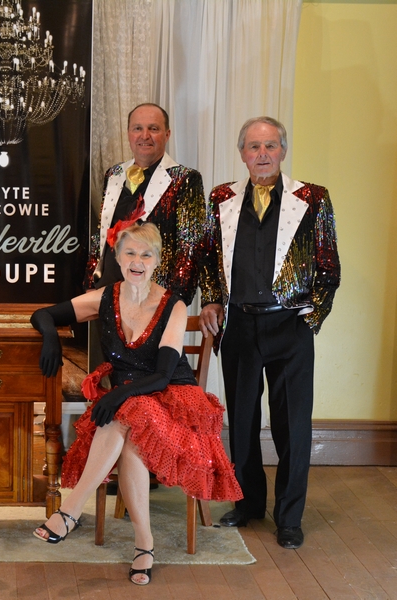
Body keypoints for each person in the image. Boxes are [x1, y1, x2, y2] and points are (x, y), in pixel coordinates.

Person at [31, 220, 242, 586]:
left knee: (130, 414)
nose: (137, 261)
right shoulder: (104, 298)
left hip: (173, 399)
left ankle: (70, 510)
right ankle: (144, 543)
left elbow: (162, 375)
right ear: (117, 258)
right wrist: (50, 337)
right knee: (131, 428)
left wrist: (116, 394)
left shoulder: (174, 305)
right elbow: (43, 314)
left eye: (146, 254)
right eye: (130, 253)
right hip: (130, 407)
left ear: (157, 261)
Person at [199, 116, 341, 550]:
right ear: (242, 153)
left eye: (270, 146)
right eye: (254, 146)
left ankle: (289, 518)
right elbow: (209, 259)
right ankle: (247, 505)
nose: (262, 154)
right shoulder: (221, 197)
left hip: (289, 324)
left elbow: (329, 266)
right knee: (241, 421)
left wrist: (309, 319)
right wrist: (211, 300)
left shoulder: (312, 198)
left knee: (292, 426)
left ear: (283, 150)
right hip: (239, 324)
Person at [84, 103, 205, 305]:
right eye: (137, 128)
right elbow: (102, 232)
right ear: (129, 134)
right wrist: (91, 281)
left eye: (153, 128)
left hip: (154, 299)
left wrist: (175, 300)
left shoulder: (185, 179)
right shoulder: (114, 174)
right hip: (107, 293)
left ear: (167, 135)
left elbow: (190, 247)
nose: (145, 135)